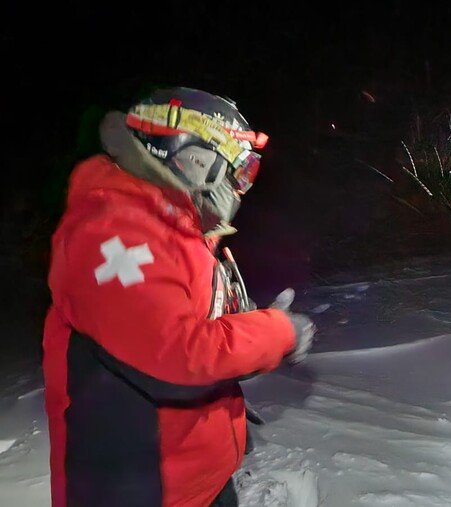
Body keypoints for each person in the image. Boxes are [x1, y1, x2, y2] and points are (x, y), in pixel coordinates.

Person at [43, 86, 316, 507]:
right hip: (138, 491)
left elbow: (190, 330)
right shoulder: (112, 231)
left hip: (194, 481)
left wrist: (247, 327)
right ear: (194, 156)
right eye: (238, 169)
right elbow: (175, 356)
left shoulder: (174, 230)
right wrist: (276, 334)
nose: (240, 186)